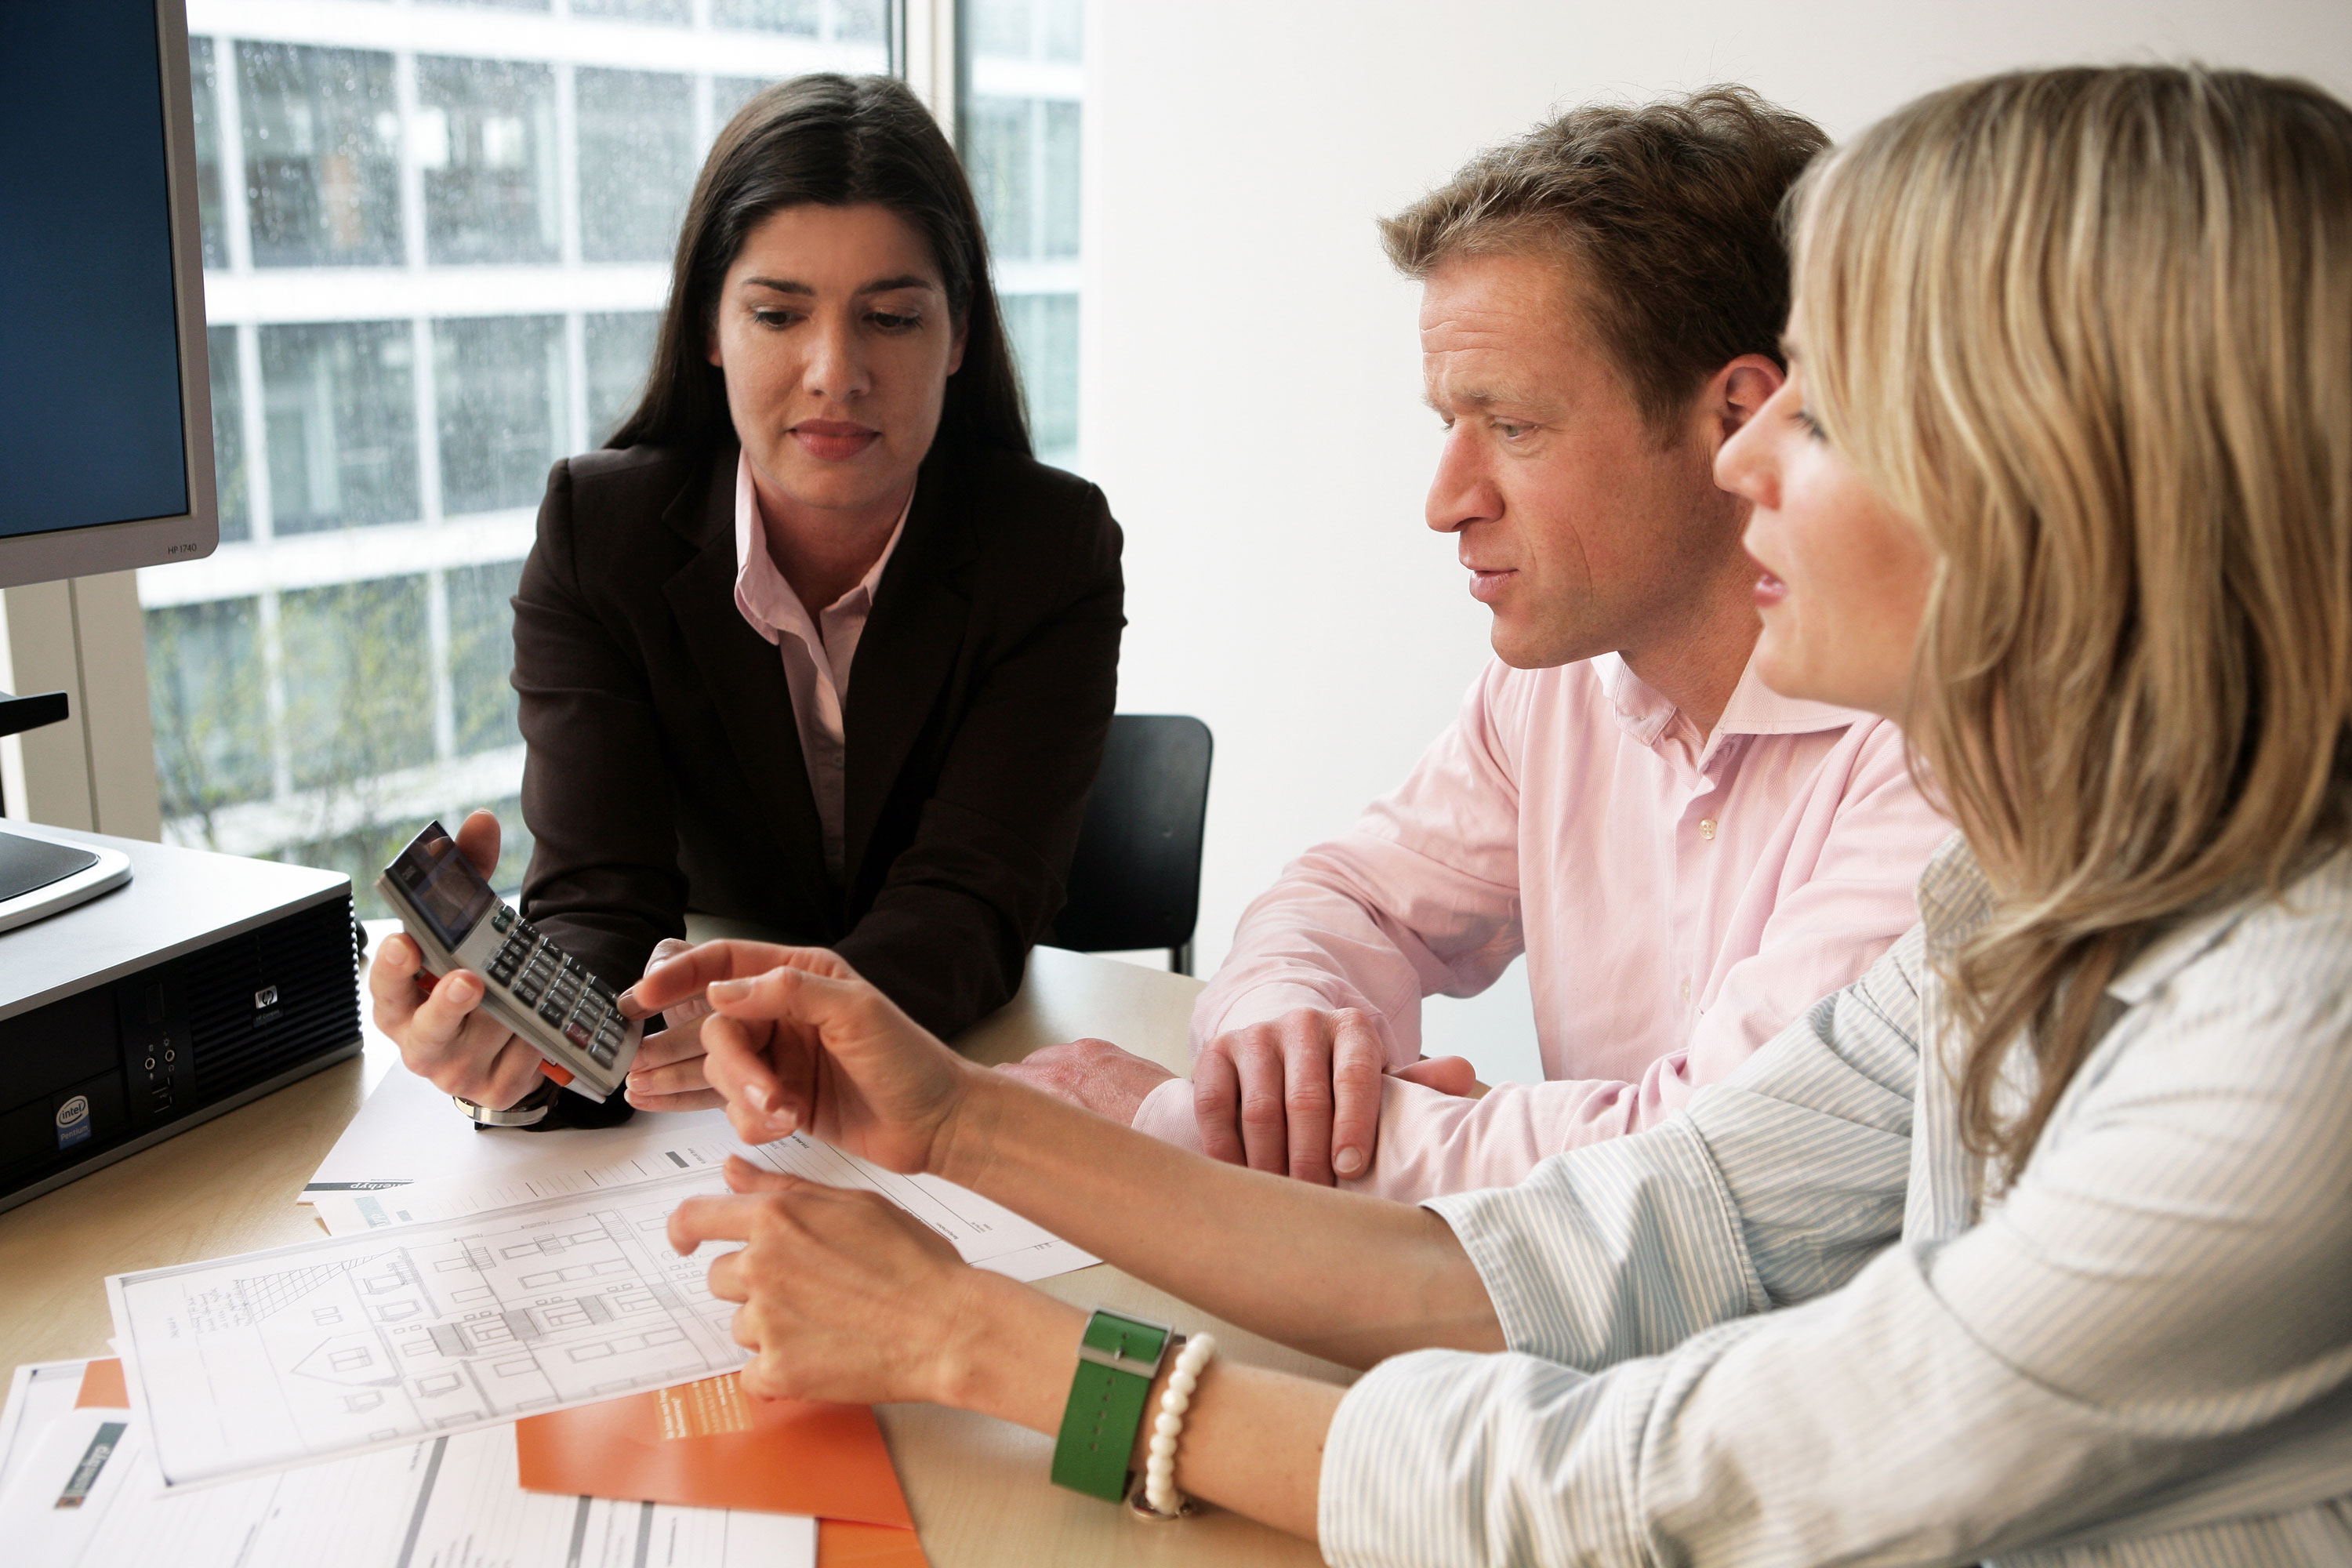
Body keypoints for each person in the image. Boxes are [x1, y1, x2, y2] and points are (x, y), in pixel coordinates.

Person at [640, 64, 2352, 1563]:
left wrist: (979, 1346)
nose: (1750, 461)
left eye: (1823, 410)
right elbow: (1627, 1239)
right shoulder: (2031, 886)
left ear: (2063, 480)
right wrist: (959, 1125)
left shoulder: (2289, 1050)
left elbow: (1657, 1492)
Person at [1011, 89, 1949, 1196]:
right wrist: (1286, 1046)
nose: (1446, 500)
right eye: (1446, 425)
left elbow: (1709, 1169)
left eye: (1512, 427)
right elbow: (1344, 900)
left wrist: (1181, 1119)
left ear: (1738, 418)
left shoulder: (1933, 736)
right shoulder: (1559, 690)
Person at [365, 74, 1124, 1129]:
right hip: (703, 1101)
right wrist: (524, 1050)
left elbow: (972, 900)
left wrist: (794, 1029)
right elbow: (601, 896)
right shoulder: (602, 534)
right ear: (711, 328)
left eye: (893, 318)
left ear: (958, 339)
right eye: (777, 313)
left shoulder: (1049, 548)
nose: (834, 372)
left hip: (950, 1067)